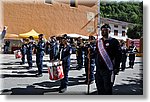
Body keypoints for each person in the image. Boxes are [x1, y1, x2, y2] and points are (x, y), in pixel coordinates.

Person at [95, 24, 122, 95]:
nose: (103, 32)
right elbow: (96, 53)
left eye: (105, 30)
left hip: (108, 69)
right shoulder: (99, 42)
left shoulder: (114, 41)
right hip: (99, 70)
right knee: (99, 88)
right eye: (102, 30)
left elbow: (118, 55)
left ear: (109, 31)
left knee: (107, 89)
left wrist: (117, 67)